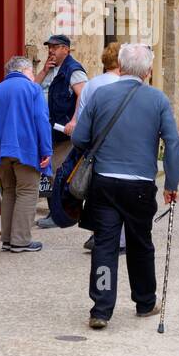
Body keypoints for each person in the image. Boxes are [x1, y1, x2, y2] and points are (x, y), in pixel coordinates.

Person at [71, 43, 179, 330]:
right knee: (140, 243)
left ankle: (102, 309)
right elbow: (172, 143)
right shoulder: (157, 100)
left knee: (105, 244)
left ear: (120, 66)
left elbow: (80, 138)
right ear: (147, 71)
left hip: (104, 182)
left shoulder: (101, 95)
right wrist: (172, 183)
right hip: (141, 185)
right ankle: (145, 302)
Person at [0, 56, 52, 254]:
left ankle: (8, 239)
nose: (33, 76)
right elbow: (41, 120)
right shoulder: (33, 89)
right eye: (32, 72)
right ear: (26, 70)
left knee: (9, 191)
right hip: (24, 147)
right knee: (27, 191)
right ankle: (21, 241)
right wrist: (46, 149)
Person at [76, 42, 124, 254]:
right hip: (118, 146)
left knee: (96, 193)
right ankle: (115, 237)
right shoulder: (123, 86)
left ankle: (98, 232)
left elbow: (81, 119)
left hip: (94, 147)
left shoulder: (91, 84)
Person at [37, 33, 87, 228]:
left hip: (64, 133)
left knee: (58, 173)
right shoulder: (51, 70)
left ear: (66, 49)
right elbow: (32, 89)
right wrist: (42, 71)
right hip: (49, 131)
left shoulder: (73, 70)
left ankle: (58, 214)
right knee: (50, 172)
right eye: (49, 47)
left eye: (55, 47)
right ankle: (57, 212)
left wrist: (74, 120)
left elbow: (83, 96)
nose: (51, 50)